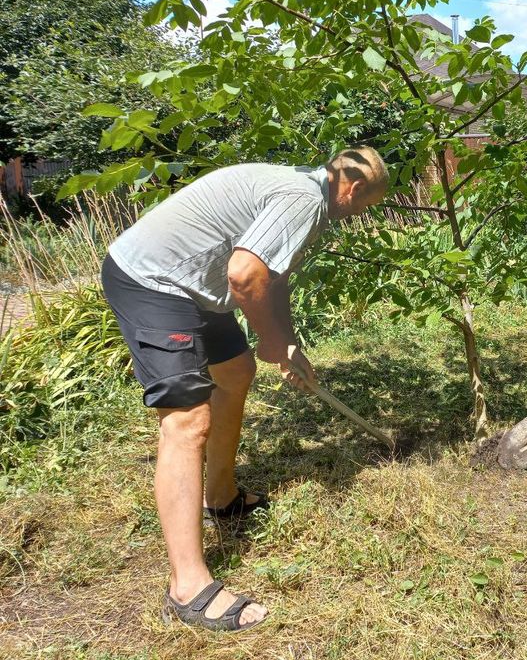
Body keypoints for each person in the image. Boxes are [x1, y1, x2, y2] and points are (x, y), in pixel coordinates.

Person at [101, 147, 388, 632]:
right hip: (152, 281)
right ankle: (187, 588)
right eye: (364, 206)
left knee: (235, 372)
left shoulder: (309, 190)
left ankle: (220, 497)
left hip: (195, 288)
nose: (359, 215)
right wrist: (269, 339)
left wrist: (286, 343)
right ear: (353, 188)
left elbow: (272, 278)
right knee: (187, 420)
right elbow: (244, 274)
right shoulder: (304, 198)